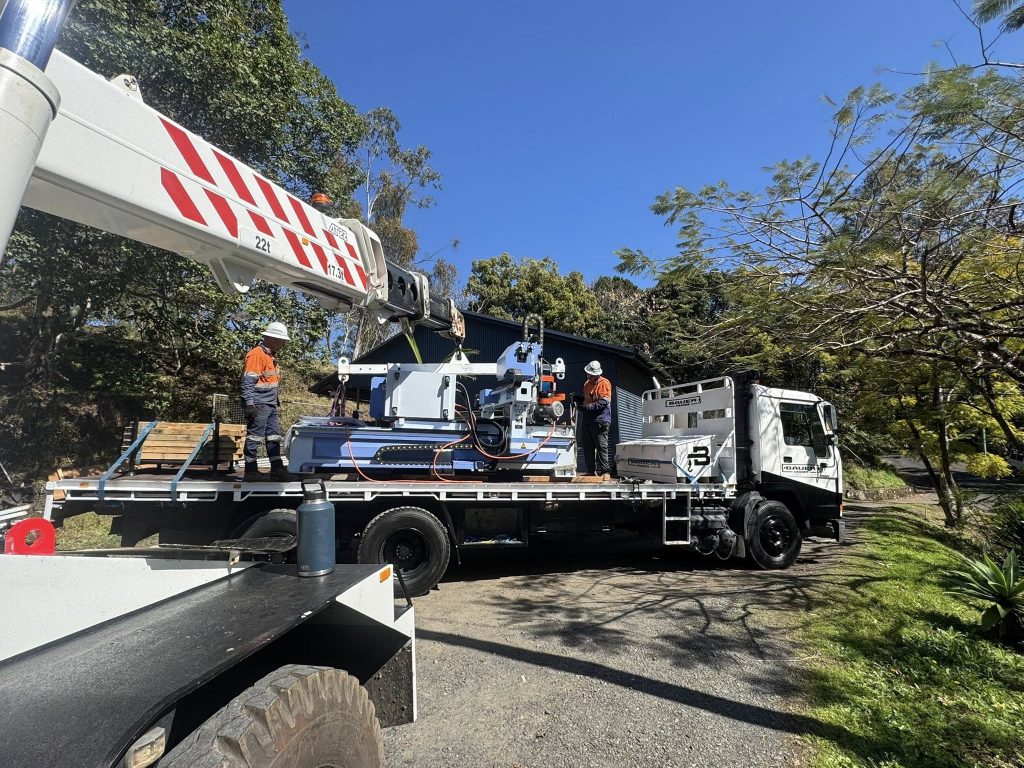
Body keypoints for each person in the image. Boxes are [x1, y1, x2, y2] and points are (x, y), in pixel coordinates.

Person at [241, 321, 292, 481]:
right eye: (282, 341)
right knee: (255, 437)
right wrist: (249, 404)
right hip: (259, 404)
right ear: (272, 339)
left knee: (274, 436)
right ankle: (250, 471)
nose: (283, 344)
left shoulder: (270, 356)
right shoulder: (257, 355)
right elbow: (247, 382)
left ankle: (276, 469)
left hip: (269, 404)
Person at [579, 360, 613, 478]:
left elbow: (604, 401)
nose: (589, 376)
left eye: (591, 375)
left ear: (597, 374)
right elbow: (587, 400)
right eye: (588, 374)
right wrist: (580, 402)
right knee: (587, 445)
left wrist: (589, 406)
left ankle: (605, 471)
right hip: (588, 419)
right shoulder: (586, 384)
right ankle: (590, 471)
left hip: (600, 419)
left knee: (601, 445)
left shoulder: (604, 383)